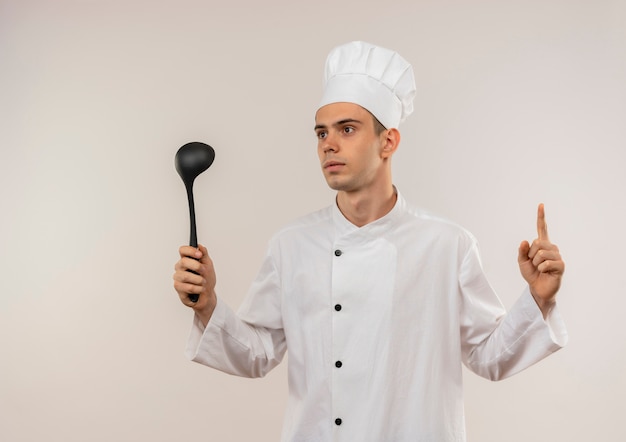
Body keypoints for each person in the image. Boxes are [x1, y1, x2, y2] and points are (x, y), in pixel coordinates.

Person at [173, 41, 567, 442]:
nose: (328, 144)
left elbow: (488, 355)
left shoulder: (447, 245)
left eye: (347, 129)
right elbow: (256, 354)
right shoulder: (291, 246)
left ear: (388, 142)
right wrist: (208, 305)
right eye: (321, 132)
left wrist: (539, 299)